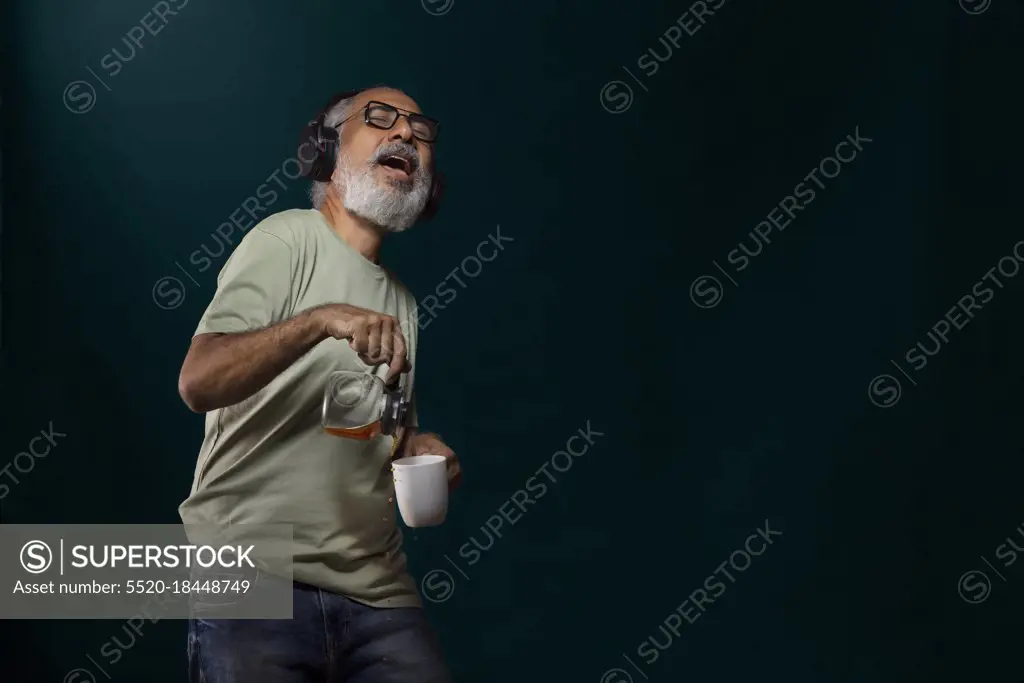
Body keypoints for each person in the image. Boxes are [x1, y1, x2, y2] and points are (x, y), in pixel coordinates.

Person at [176, 85, 460, 683]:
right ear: (326, 149)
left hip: (380, 596)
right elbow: (199, 381)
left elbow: (382, 432)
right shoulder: (285, 240)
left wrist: (416, 447)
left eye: (419, 127)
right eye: (381, 118)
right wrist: (321, 319)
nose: (406, 133)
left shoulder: (404, 304)